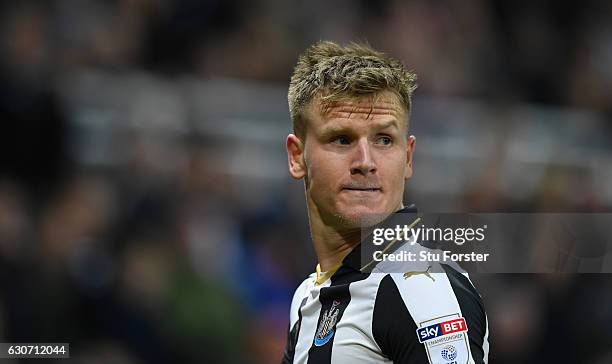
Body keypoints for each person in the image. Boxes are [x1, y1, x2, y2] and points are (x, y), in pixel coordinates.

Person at [281, 41, 489, 364]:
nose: (365, 161)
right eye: (342, 139)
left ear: (407, 157)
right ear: (298, 157)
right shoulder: (307, 298)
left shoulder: (422, 288)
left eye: (383, 140)